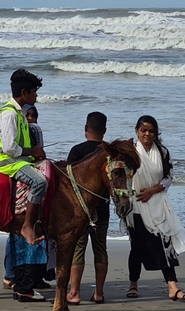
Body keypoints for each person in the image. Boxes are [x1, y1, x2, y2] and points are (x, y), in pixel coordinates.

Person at [123, 115, 185, 302]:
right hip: (135, 205)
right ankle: (133, 284)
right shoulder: (130, 151)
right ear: (137, 131)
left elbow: (168, 177)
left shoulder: (162, 152)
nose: (147, 133)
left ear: (156, 133)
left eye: (151, 131)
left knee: (164, 245)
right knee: (136, 247)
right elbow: (120, 176)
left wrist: (153, 190)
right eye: (143, 130)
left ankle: (173, 287)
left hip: (157, 203)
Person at [0, 69, 47, 246]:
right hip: (9, 163)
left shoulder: (20, 113)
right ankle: (27, 226)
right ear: (24, 93)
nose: (36, 96)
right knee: (40, 182)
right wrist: (33, 152)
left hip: (19, 160)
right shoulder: (9, 114)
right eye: (34, 92)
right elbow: (9, 148)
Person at [4, 104, 52, 302]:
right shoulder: (35, 130)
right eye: (28, 115)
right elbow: (38, 156)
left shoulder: (18, 125)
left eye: (34, 115)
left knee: (17, 239)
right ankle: (25, 287)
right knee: (34, 234)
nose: (31, 118)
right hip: (29, 189)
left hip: (16, 184)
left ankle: (18, 281)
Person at [66, 112, 110, 304]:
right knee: (101, 249)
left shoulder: (76, 151)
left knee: (78, 249)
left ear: (86, 129)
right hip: (102, 207)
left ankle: (74, 293)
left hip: (79, 210)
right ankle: (99, 293)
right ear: (105, 131)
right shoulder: (109, 154)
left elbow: (67, 183)